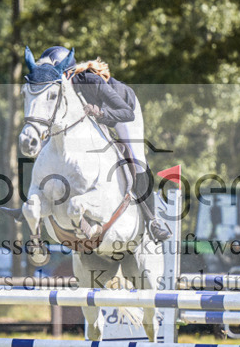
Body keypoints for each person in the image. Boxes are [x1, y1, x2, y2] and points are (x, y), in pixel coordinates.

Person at [36, 46, 170, 243]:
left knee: (136, 158)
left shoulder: (90, 81)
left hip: (121, 110)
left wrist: (100, 113)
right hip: (94, 114)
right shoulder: (58, 92)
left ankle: (153, 221)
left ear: (67, 73)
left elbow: (126, 113)